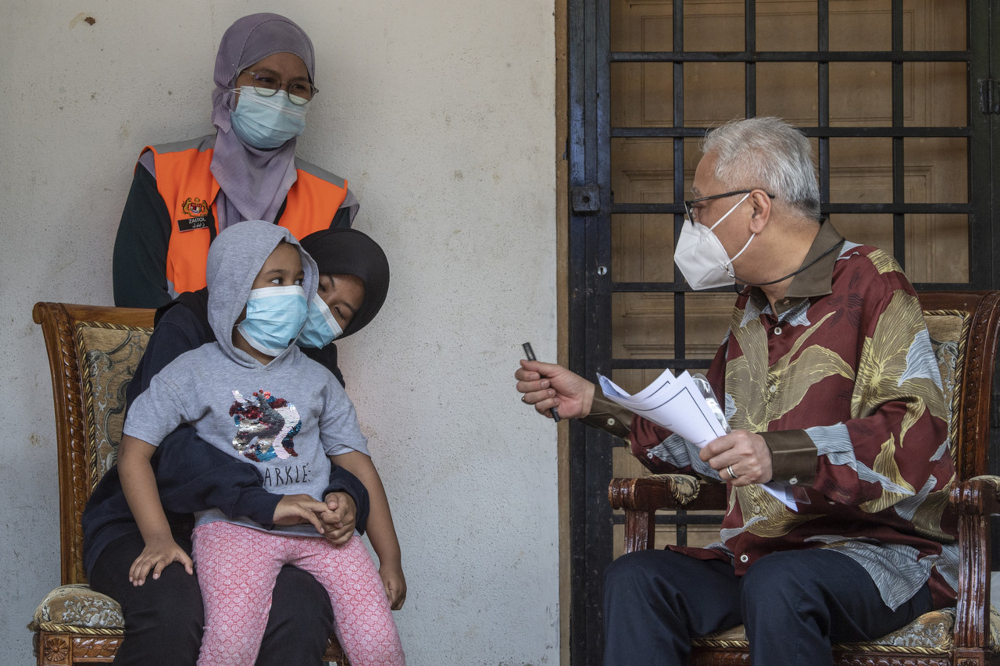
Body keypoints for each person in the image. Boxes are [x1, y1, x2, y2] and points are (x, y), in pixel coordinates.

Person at [515, 117, 958, 665]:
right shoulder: (752, 308)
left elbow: (915, 438)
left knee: (781, 584)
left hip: (877, 553)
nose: (693, 223)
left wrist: (779, 454)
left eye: (699, 205)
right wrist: (594, 404)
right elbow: (714, 438)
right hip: (761, 553)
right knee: (637, 578)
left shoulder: (872, 281)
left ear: (755, 207)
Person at [84, 226, 400, 665]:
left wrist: (344, 497)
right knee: (175, 608)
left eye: (340, 311)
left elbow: (328, 452)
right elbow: (163, 451)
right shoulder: (189, 332)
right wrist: (263, 503)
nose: (313, 305)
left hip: (281, 530)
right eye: (318, 287)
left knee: (301, 609)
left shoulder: (316, 363)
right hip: (155, 520)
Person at [113, 12, 360, 308]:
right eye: (266, 80)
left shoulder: (331, 200)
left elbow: (324, 314)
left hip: (282, 356)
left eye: (298, 87)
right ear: (229, 82)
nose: (282, 98)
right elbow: (135, 295)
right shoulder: (163, 172)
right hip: (170, 351)